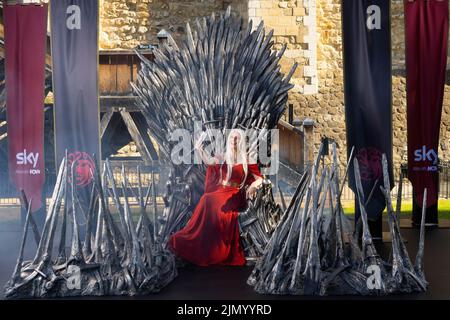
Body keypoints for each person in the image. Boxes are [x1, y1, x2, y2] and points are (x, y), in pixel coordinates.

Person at [168, 129, 263, 266]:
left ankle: (216, 248)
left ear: (241, 141)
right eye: (231, 138)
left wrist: (254, 185)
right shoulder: (223, 157)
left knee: (210, 200)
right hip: (220, 191)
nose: (233, 141)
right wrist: (199, 149)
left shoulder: (248, 159)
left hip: (234, 194)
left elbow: (259, 178)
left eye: (236, 139)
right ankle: (195, 239)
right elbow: (209, 161)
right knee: (207, 199)